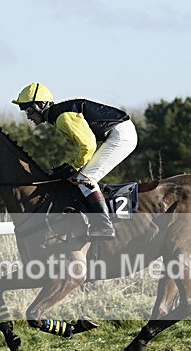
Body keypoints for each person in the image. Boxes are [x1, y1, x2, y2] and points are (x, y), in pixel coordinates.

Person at [12, 83, 137, 239]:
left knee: (84, 178)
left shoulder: (63, 117)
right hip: (118, 133)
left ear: (41, 105)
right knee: (81, 177)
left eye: (29, 110)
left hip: (121, 136)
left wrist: (74, 166)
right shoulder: (59, 115)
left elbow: (88, 145)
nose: (28, 116)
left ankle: (104, 226)